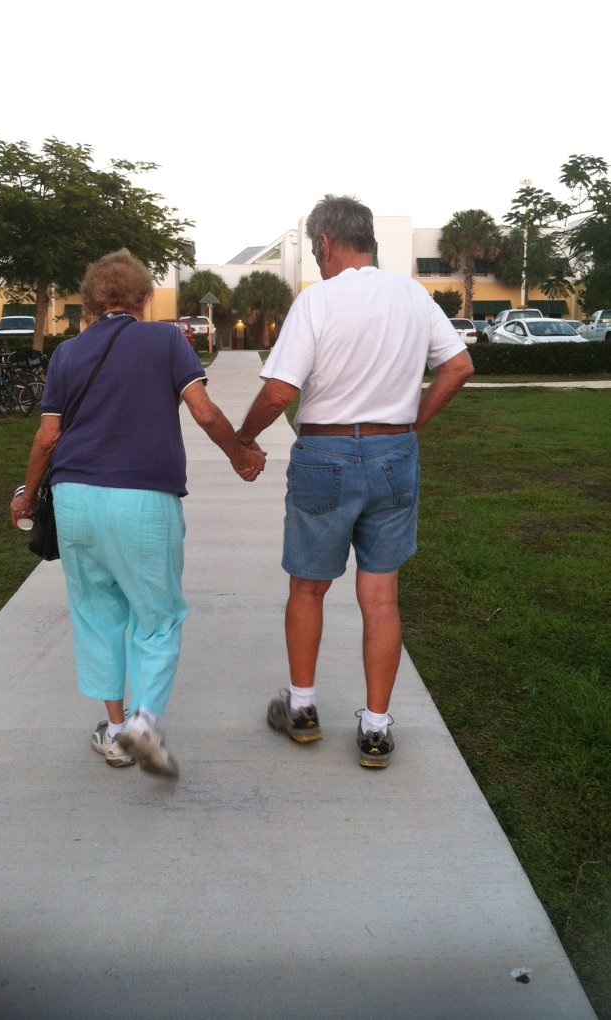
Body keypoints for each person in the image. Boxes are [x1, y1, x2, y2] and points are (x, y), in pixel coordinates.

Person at [236, 195, 474, 767]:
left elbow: (278, 392)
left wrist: (243, 439)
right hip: (394, 453)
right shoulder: (412, 296)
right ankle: (374, 727)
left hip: (325, 451)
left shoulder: (318, 302)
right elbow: (459, 366)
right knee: (381, 596)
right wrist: (411, 423)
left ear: (323, 242)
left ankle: (301, 708)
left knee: (308, 588)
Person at [11, 249, 265, 778]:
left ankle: (114, 732)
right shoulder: (166, 340)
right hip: (144, 500)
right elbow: (203, 411)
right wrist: (241, 455)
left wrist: (28, 495)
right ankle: (144, 721)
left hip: (76, 499)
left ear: (92, 300)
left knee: (97, 614)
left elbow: (48, 437)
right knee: (158, 615)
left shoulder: (67, 354)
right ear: (143, 298)